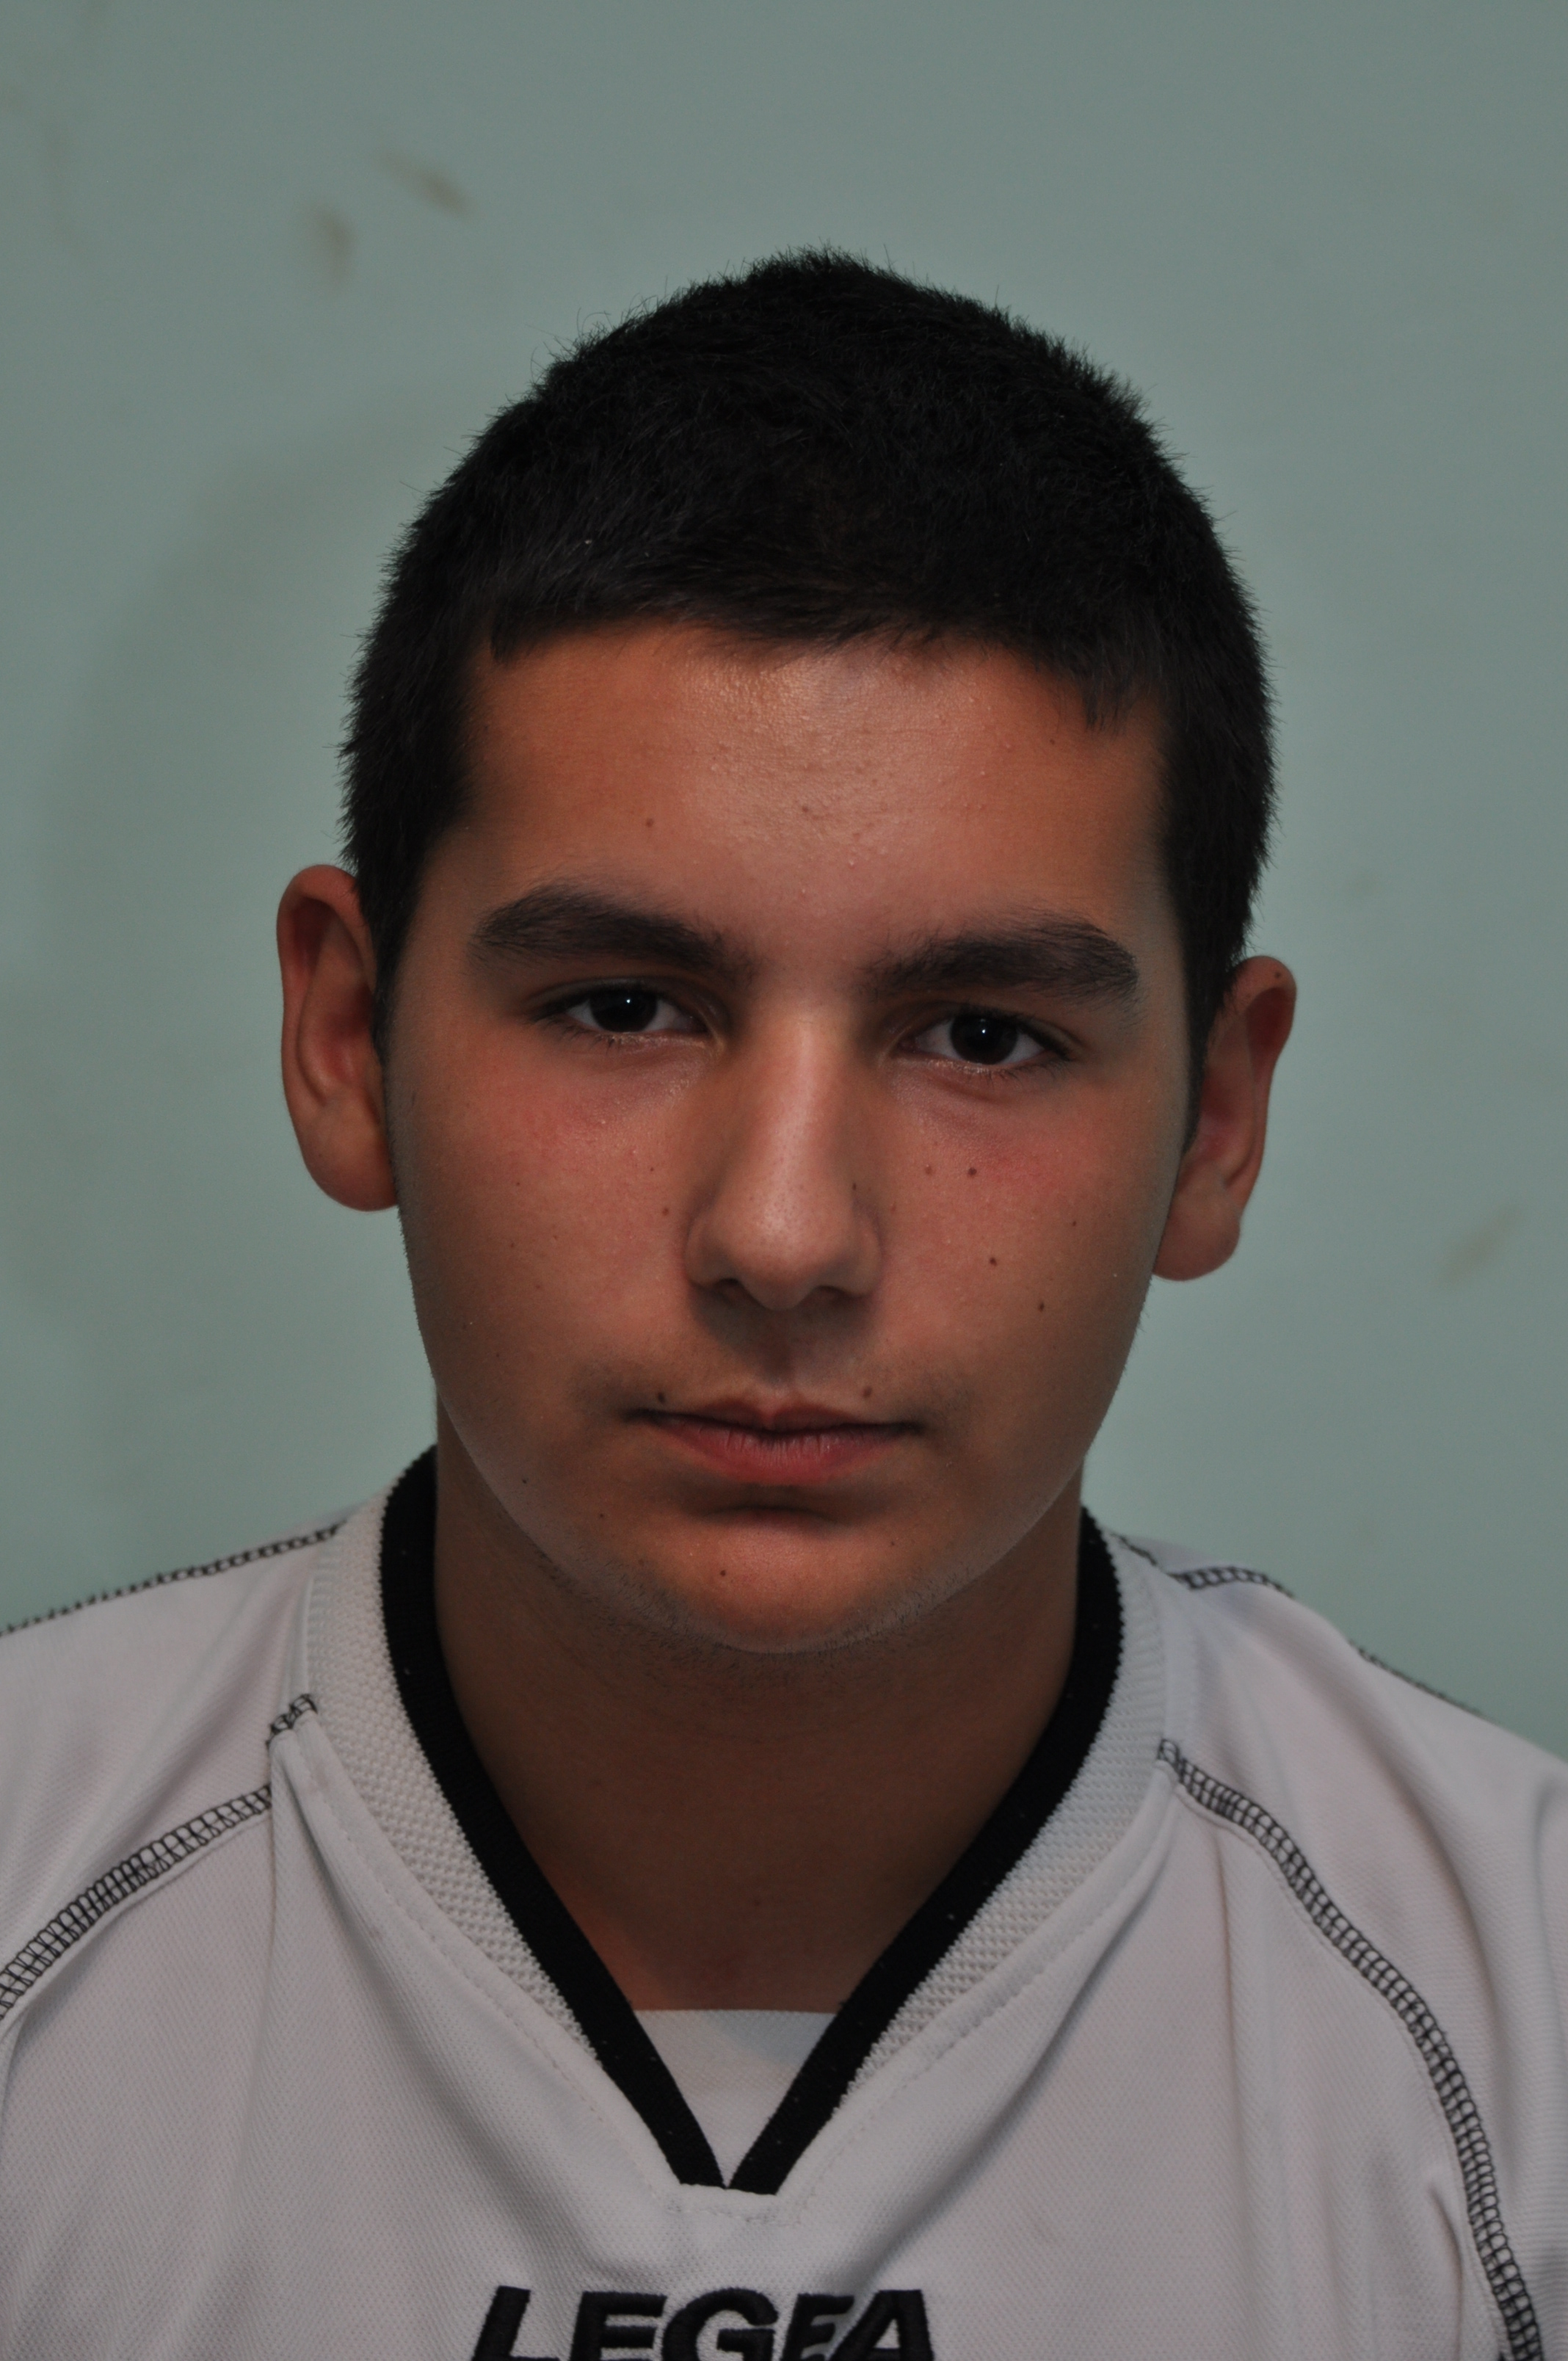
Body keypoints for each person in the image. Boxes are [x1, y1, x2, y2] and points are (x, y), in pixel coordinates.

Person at [0, 252, 1561, 2361]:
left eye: (984, 1036)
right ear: (350, 1038)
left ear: (1217, 1118)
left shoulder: (1516, 2034)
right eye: (624, 1007)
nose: (786, 1232)